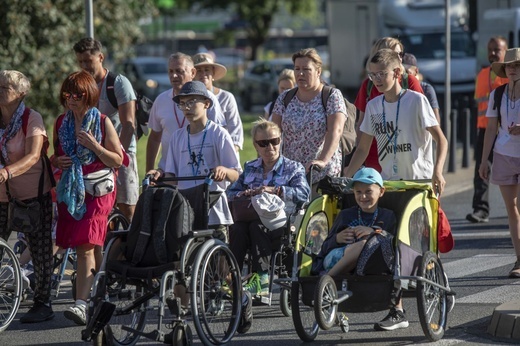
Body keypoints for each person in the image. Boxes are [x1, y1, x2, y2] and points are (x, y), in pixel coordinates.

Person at [344, 48, 448, 331]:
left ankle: (436, 285)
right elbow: (362, 148)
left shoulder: (416, 100)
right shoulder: (375, 106)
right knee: (391, 243)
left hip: (418, 185)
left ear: (397, 73)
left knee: (419, 245)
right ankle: (398, 309)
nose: (376, 79)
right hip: (387, 186)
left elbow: (441, 140)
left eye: (381, 74)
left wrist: (438, 171)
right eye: (371, 75)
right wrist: (346, 177)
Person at [146, 81, 252, 332]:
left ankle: (242, 297)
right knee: (181, 266)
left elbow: (237, 173)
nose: (187, 106)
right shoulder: (178, 138)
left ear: (206, 104)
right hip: (185, 210)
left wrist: (223, 170)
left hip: (214, 209)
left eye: (192, 101)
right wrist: (159, 174)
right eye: (183, 102)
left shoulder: (218, 134)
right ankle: (180, 322)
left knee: (221, 270)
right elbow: (171, 174)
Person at [53, 70, 124, 325]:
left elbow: (118, 160)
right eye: (67, 94)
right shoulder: (61, 122)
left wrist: (95, 146)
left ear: (89, 95)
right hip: (72, 190)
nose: (71, 99)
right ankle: (99, 288)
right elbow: (55, 155)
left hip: (97, 191)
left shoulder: (102, 121)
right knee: (92, 246)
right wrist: (57, 160)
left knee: (84, 246)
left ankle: (81, 304)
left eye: (77, 94)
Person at [227, 118, 310, 296]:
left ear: (281, 141)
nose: (269, 147)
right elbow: (230, 193)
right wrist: (244, 194)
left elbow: (304, 194)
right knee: (237, 229)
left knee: (257, 226)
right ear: (256, 146)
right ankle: (232, 278)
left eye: (274, 141)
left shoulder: (293, 168)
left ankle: (262, 278)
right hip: (250, 218)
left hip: (280, 222)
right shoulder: (250, 167)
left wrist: (276, 190)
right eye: (263, 143)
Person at [0, 70, 55, 323]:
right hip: (2, 196)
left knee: (40, 250)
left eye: (4, 88)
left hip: (33, 195)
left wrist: (6, 172)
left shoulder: (32, 118)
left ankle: (43, 303)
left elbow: (33, 156)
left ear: (20, 94)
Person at [73, 38, 138, 222]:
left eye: (88, 61)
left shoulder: (118, 83)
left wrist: (118, 159)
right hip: (93, 156)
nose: (84, 66)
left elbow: (129, 124)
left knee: (126, 207)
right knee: (100, 210)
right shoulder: (82, 87)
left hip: (121, 154)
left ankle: (133, 247)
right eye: (80, 62)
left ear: (100, 57)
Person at [271, 48, 347, 195]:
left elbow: (335, 131)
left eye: (306, 69)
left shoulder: (331, 96)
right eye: (297, 69)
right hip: (290, 177)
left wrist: (323, 160)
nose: (300, 73)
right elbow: (273, 133)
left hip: (321, 176)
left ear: (318, 71)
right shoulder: (285, 98)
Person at [146, 53, 226, 172]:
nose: (174, 75)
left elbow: (219, 135)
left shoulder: (206, 98)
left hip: (200, 172)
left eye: (179, 71)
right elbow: (154, 138)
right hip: (168, 172)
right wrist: (149, 171)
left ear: (193, 73)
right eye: (170, 71)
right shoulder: (161, 100)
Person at [354, 37, 424, 172]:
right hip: (374, 151)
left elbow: (425, 123)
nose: (398, 58)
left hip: (406, 153)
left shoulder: (409, 82)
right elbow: (361, 122)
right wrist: (359, 154)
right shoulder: (368, 85)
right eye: (393, 54)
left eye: (400, 54)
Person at [480, 47, 520, 278]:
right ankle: (518, 260)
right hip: (504, 155)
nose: (512, 69)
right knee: (512, 210)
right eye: (509, 66)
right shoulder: (498, 94)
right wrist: (484, 160)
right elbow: (491, 129)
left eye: (516, 65)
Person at [312, 167, 396, 276]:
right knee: (362, 246)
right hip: (336, 257)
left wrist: (373, 231)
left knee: (367, 244)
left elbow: (392, 244)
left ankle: (330, 280)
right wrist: (337, 238)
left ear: (381, 191)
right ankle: (328, 279)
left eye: (368, 191)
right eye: (358, 192)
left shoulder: (388, 216)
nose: (363, 196)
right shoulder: (345, 215)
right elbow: (324, 247)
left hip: (371, 262)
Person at [468, 36, 509, 223]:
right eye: (490, 49)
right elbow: (480, 104)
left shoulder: (511, 74)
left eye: (497, 50)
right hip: (485, 131)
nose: (492, 53)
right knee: (481, 171)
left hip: (509, 131)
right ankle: (480, 210)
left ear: (505, 51)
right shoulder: (482, 75)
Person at [193, 52, 244, 152]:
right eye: (199, 70)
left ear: (213, 73)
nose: (203, 74)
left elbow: (235, 131)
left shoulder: (226, 97)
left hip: (225, 152)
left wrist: (228, 155)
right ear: (193, 75)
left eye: (207, 70)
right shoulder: (189, 100)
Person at [402, 53, 441, 124]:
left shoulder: (426, 89)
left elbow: (435, 120)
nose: (403, 76)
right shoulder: (396, 90)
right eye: (401, 72)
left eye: (406, 72)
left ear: (416, 71)